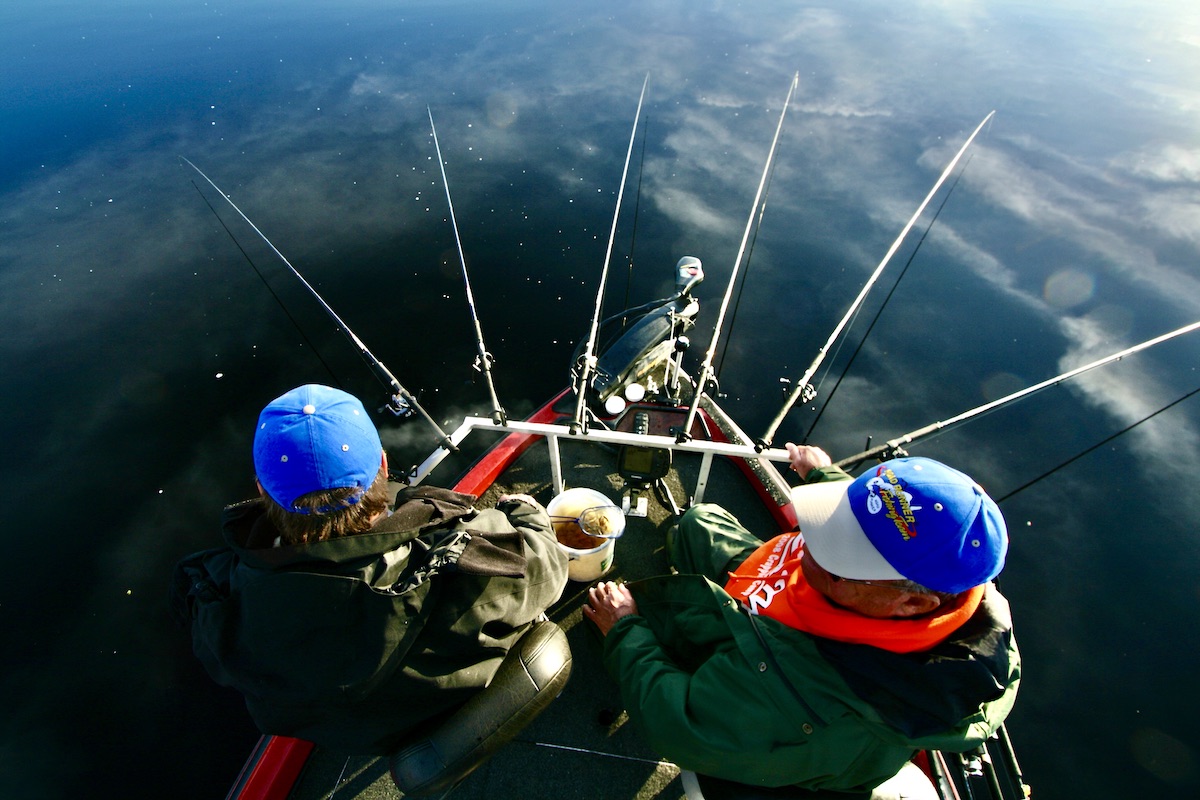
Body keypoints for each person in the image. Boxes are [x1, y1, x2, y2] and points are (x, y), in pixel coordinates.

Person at [584, 443, 1019, 795]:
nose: (808, 537)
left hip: (766, 658)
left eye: (838, 553)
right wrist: (825, 476)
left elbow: (679, 724)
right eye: (837, 519)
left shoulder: (814, 701)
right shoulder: (950, 585)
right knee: (699, 522)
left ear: (911, 605)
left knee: (661, 624)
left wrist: (625, 631)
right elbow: (891, 521)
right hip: (782, 592)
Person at [171, 384, 569, 755]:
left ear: (261, 489)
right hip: (444, 709)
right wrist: (525, 511)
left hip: (360, 739)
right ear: (382, 463)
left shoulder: (216, 604)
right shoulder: (465, 560)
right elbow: (549, 567)